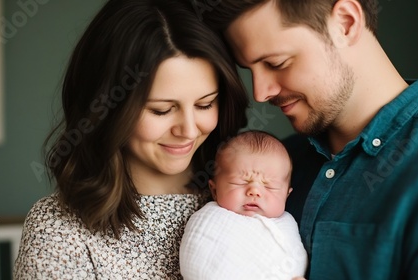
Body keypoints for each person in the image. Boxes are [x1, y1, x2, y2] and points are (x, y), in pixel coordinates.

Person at [201, 0, 418, 279]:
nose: (261, 92)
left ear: (345, 23)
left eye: (276, 63)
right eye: (250, 70)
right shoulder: (282, 162)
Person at [13, 0, 248, 278]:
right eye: (161, 110)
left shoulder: (251, 193)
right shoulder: (58, 229)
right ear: (106, 109)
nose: (188, 129)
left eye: (205, 105)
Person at [179, 130, 308, 280]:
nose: (254, 191)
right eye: (240, 182)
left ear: (287, 195)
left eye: (270, 186)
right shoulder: (209, 221)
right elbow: (197, 263)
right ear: (214, 190)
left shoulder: (288, 225)